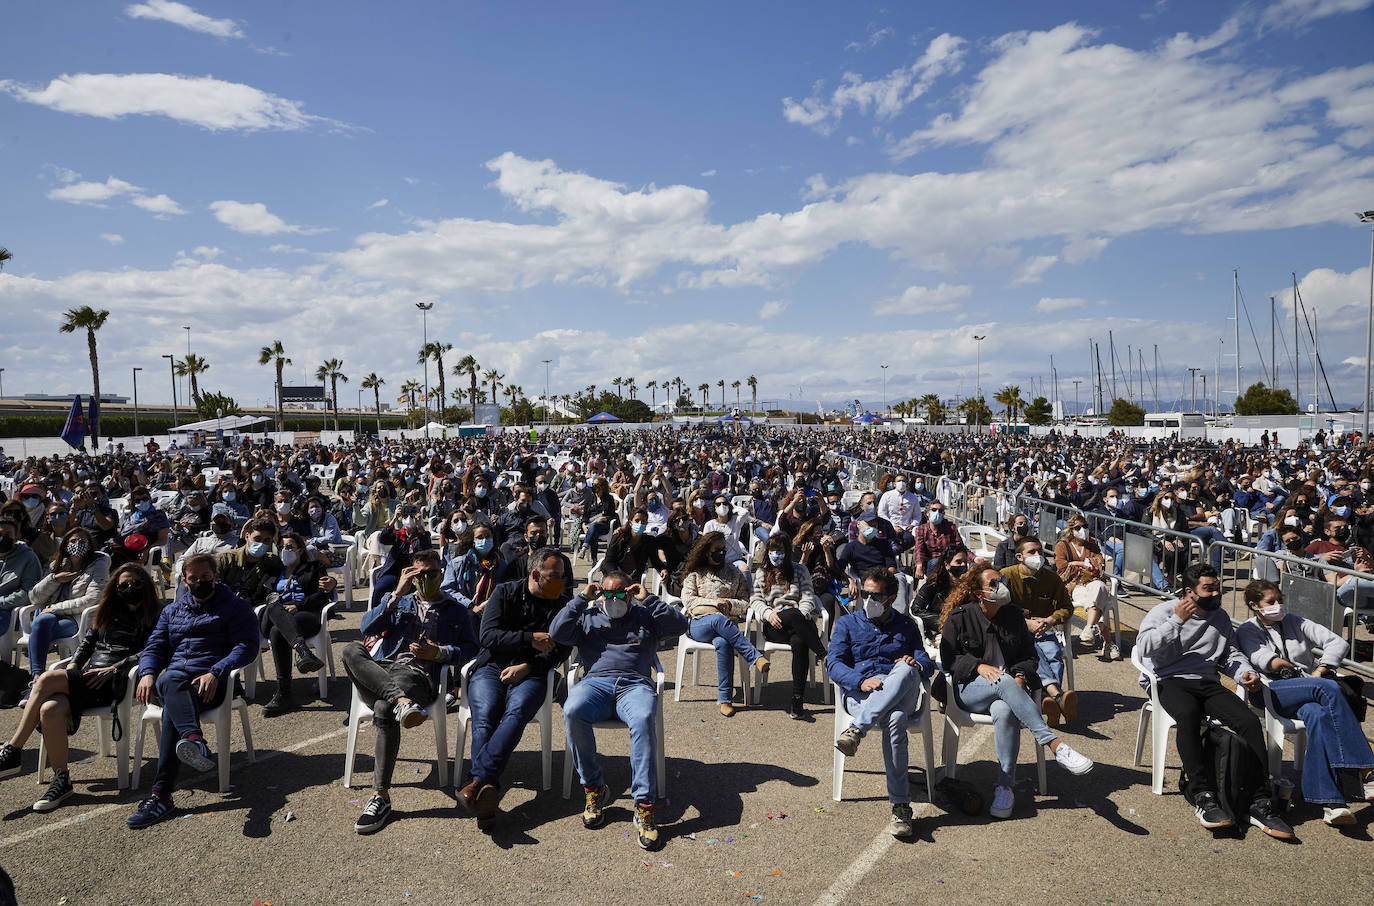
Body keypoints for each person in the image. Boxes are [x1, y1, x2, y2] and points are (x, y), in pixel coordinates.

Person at [1135, 564, 1295, 838]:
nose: (1216, 593)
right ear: (1190, 592)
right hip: (1168, 680)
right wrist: (1177, 621)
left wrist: (1244, 672)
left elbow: (1229, 654)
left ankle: (1260, 800)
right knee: (1188, 715)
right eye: (1208, 588)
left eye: (1217, 587)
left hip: (1207, 681)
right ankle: (1203, 794)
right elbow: (1145, 647)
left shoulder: (1218, 616)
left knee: (1247, 721)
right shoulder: (1163, 612)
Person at [938, 563, 1094, 819]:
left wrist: (1020, 675)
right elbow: (949, 659)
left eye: (1001, 580)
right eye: (993, 584)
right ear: (979, 593)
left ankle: (1005, 786)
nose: (1001, 586)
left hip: (1006, 693)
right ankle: (1055, 745)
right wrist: (978, 666)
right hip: (970, 691)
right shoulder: (960, 617)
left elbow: (1030, 657)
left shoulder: (1012, 616)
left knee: (1005, 711)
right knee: (1004, 681)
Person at [0, 564, 160, 811]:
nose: (130, 588)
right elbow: (87, 644)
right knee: (50, 710)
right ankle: (61, 780)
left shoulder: (155, 614)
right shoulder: (107, 612)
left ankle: (13, 750)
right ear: (115, 589)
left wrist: (115, 668)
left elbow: (154, 651)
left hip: (119, 682)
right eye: (124, 585)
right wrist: (74, 666)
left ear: (146, 585)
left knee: (45, 679)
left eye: (136, 584)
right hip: (88, 679)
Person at [550, 570, 688, 852]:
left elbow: (681, 625)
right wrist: (580, 599)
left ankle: (644, 805)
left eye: (620, 593)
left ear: (629, 591)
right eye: (608, 593)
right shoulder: (589, 617)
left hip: (634, 685)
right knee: (573, 709)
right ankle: (594, 788)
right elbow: (557, 633)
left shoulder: (644, 616)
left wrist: (649, 599)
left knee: (643, 717)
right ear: (601, 593)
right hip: (596, 684)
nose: (614, 599)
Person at [343, 550, 478, 834]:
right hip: (383, 669)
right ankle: (400, 702)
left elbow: (470, 649)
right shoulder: (400, 601)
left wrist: (438, 652)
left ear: (442, 574)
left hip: (417, 677)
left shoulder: (455, 610)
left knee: (382, 709)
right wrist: (396, 593)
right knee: (350, 649)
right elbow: (367, 626)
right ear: (410, 575)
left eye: (432, 573)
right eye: (419, 574)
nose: (426, 579)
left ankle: (380, 796)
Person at [126, 554, 259, 829]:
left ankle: (161, 795)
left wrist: (217, 671)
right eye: (194, 579)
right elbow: (155, 646)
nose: (200, 582)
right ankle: (194, 739)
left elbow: (246, 646)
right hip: (174, 680)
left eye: (205, 577)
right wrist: (148, 672)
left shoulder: (235, 607)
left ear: (216, 577)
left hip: (211, 683)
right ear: (185, 582)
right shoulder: (172, 611)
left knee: (173, 707)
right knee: (171, 680)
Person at [1234, 580, 1374, 827]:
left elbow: (1338, 643)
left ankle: (1331, 803)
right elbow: (1266, 661)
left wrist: (1322, 667)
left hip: (1309, 690)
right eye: (1271, 602)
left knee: (1318, 714)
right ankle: (1365, 767)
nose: (1278, 605)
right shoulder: (1247, 630)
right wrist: (1300, 671)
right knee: (1327, 686)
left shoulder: (1294, 621)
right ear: (1254, 605)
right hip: (1271, 690)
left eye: (1280, 599)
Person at [456, 547, 571, 822]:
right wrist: (529, 638)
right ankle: (488, 789)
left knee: (516, 713)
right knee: (485, 717)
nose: (560, 581)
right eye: (553, 576)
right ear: (535, 574)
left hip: (532, 673)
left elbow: (562, 649)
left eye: (562, 576)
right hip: (492, 667)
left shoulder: (562, 604)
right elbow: (488, 636)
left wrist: (529, 666)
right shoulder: (505, 592)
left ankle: (477, 782)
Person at [829, 569, 936, 838]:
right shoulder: (847, 624)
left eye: (875, 595)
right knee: (896, 718)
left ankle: (857, 731)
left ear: (890, 598)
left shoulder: (907, 625)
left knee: (905, 668)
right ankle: (901, 806)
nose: (868, 599)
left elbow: (925, 662)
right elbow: (834, 663)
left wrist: (916, 663)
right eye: (865, 593)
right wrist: (859, 681)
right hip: (862, 693)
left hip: (899, 688)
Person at [680, 534, 769, 717]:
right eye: (716, 550)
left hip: (727, 626)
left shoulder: (734, 572)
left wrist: (729, 604)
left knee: (723, 642)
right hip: (699, 624)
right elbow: (687, 600)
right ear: (706, 552)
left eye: (723, 550)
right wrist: (715, 603)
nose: (721, 553)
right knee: (718, 619)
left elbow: (745, 601)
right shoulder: (696, 573)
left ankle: (725, 699)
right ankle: (753, 656)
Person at [999, 537, 1076, 725]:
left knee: (1054, 653)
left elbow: (1067, 607)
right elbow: (998, 609)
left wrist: (1050, 620)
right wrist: (1025, 623)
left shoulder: (1051, 578)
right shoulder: (1006, 576)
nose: (1038, 556)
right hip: (1015, 633)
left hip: (1044, 630)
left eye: (1040, 552)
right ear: (1019, 556)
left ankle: (1047, 701)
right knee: (1034, 653)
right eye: (1032, 552)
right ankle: (1055, 696)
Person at [749, 535, 827, 720]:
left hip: (801, 623)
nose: (776, 555)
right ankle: (823, 655)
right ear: (768, 553)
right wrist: (768, 614)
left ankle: (797, 699)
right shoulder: (762, 573)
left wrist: (801, 614)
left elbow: (808, 597)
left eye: (781, 551)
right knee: (792, 615)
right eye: (773, 551)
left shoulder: (800, 570)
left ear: (788, 553)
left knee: (799, 640)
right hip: (775, 625)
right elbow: (755, 600)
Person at [25, 527, 111, 688]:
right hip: (51, 616)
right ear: (65, 545)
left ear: (90, 545)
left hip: (77, 619)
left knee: (39, 625)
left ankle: (36, 679)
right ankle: (37, 677)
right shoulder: (58, 565)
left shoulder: (98, 566)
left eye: (82, 541)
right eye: (73, 541)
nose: (77, 544)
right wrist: (55, 579)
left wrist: (55, 608)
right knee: (42, 622)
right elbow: (34, 597)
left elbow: (92, 600)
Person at [258, 533, 332, 717]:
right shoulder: (273, 571)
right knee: (275, 606)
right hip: (272, 615)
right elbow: (258, 595)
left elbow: (322, 595)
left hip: (303, 615)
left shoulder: (314, 567)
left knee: (277, 632)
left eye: (290, 546)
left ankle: (284, 694)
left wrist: (298, 605)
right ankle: (303, 652)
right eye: (282, 547)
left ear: (300, 549)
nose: (285, 551)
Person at [1055, 516, 1119, 660]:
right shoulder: (1062, 545)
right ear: (1071, 530)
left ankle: (1089, 628)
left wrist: (1074, 564)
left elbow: (1100, 564)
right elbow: (1062, 567)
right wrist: (1083, 563)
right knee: (1099, 599)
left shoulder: (1092, 545)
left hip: (1092, 583)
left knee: (1100, 586)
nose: (1082, 530)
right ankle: (1108, 643)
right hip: (1074, 586)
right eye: (1078, 527)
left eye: (1084, 526)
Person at [213, 518, 282, 609]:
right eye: (257, 538)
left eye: (266, 540)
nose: (261, 543)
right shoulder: (225, 559)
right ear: (246, 536)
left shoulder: (273, 561)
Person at [0, 515, 43, 644]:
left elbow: (26, 594)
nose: (2, 538)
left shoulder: (28, 558)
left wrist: (1, 602)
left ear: (17, 535)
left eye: (8, 534)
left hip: (9, 611)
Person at [911, 546, 969, 637]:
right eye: (958, 562)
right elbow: (916, 609)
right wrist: (942, 621)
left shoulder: (969, 585)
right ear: (947, 565)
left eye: (965, 562)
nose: (963, 565)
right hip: (940, 630)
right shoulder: (934, 583)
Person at [911, 499, 962, 579]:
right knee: (935, 562)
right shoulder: (922, 529)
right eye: (934, 510)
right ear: (927, 513)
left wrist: (975, 558)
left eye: (940, 510)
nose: (937, 512)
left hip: (949, 561)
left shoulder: (951, 527)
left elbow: (960, 547)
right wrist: (919, 565)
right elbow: (918, 549)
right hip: (931, 562)